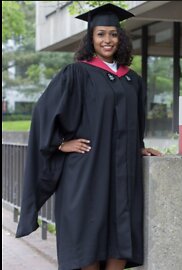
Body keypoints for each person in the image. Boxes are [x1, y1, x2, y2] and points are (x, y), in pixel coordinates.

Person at [15, 4, 161, 270]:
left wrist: (138, 147)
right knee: (89, 240)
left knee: (121, 236)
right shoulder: (77, 74)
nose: (107, 40)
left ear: (121, 38)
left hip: (123, 175)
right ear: (91, 38)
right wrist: (60, 144)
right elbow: (44, 113)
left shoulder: (133, 80)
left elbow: (134, 122)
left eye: (113, 34)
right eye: (101, 34)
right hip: (87, 172)